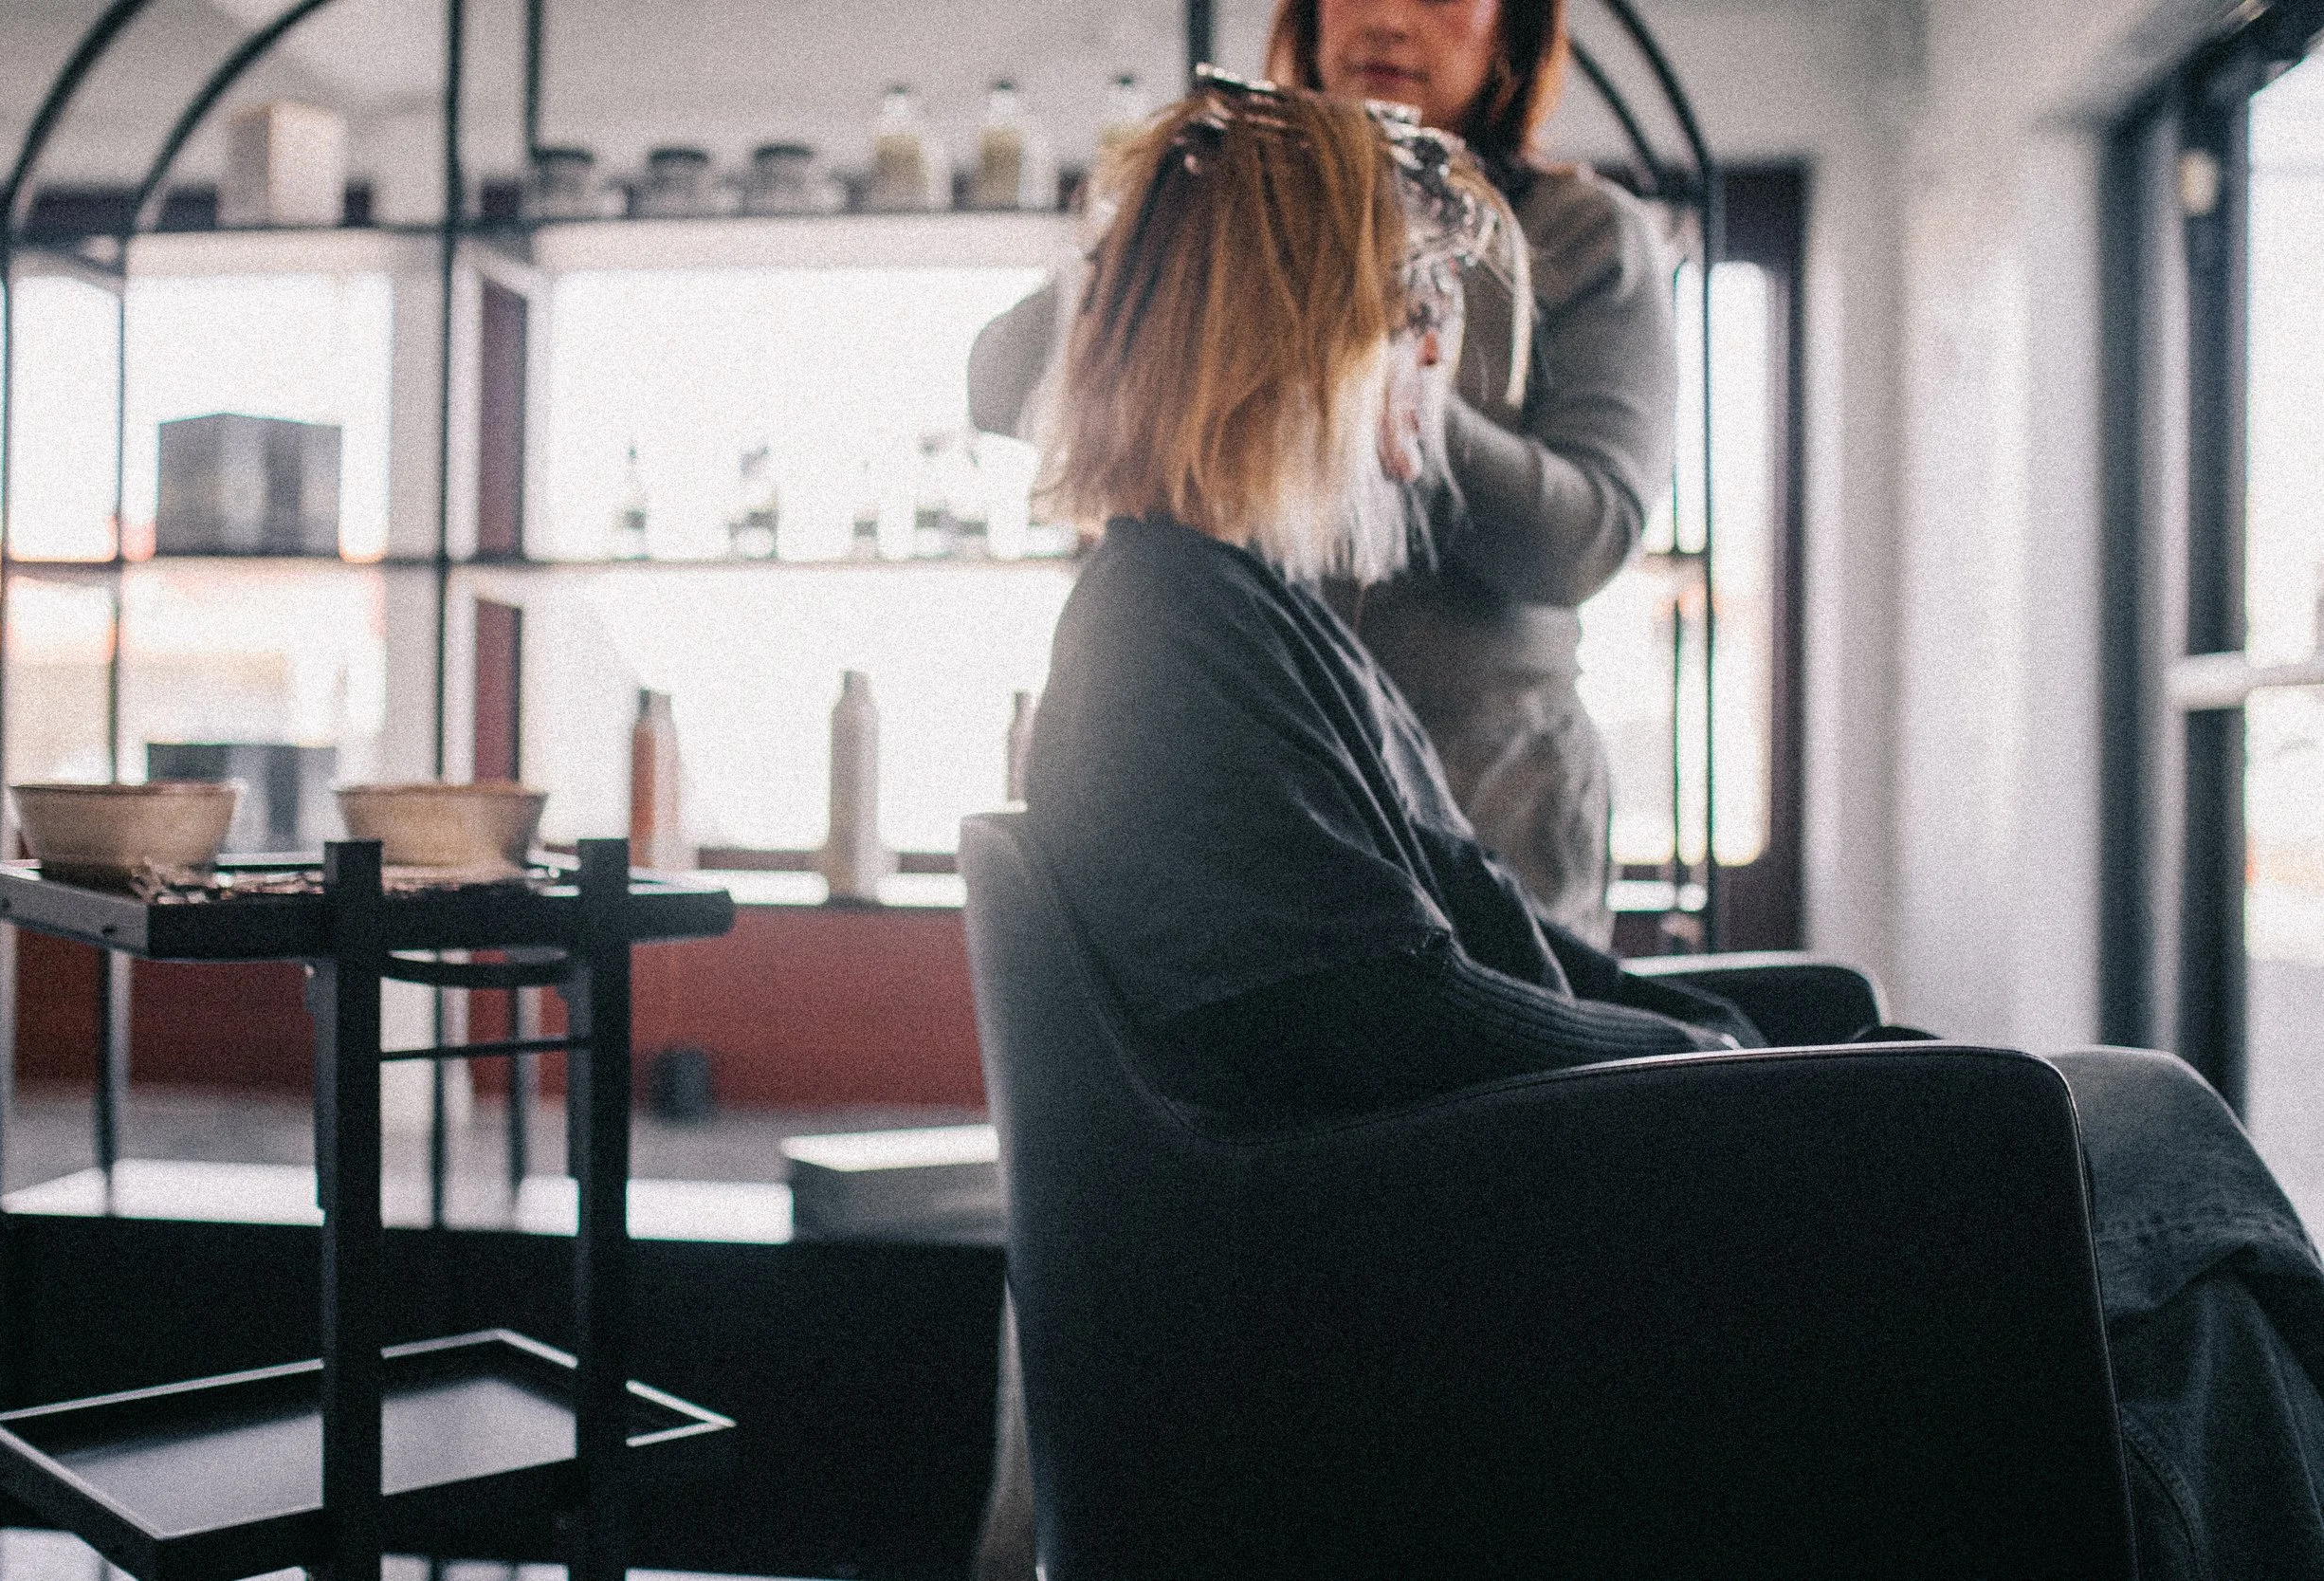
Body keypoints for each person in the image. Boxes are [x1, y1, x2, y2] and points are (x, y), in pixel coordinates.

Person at [979, 77, 2324, 1580]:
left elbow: (1488, 939)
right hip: (1456, 1274)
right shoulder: (1176, 629)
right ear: (1301, 324)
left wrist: (1746, 1050)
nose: (1436, 357)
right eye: (1415, 310)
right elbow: (1370, 1019)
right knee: (2149, 1163)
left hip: (1498, 1214)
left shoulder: (1246, 612)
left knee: (2171, 1273)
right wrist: (1719, 1073)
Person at [971, 0, 1668, 951]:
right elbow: (999, 378)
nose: (1384, 17)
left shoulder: (1583, 235)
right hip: (1250, 747)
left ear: (1512, 25)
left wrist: (1377, 378)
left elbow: (1579, 539)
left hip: (1484, 780)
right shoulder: (1221, 212)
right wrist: (1177, 234)